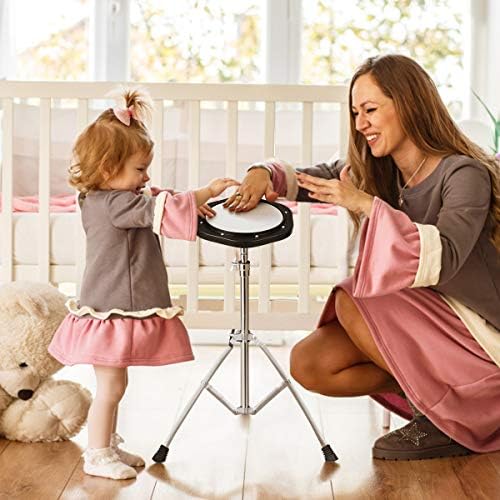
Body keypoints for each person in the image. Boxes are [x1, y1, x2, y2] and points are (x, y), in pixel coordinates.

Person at [224, 54, 500, 460]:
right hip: (426, 327)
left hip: (480, 331)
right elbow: (310, 178)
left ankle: (452, 416)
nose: (359, 124)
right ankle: (441, 400)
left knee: (355, 296)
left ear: (408, 104)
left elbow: (445, 257)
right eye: (356, 113)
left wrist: (367, 205)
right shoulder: (380, 170)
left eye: (370, 110)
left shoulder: (462, 174)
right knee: (310, 362)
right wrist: (262, 172)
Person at [48, 88, 238, 480]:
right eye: (139, 169)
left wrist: (182, 199)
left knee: (116, 383)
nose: (146, 177)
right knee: (111, 387)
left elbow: (154, 198)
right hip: (110, 307)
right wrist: (204, 192)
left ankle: (107, 443)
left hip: (111, 304)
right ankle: (97, 454)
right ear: (107, 169)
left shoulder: (106, 198)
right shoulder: (115, 204)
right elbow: (155, 207)